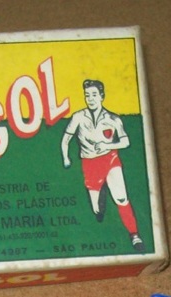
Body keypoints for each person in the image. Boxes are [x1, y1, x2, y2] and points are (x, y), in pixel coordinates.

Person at [61, 79, 144, 252]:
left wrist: (108, 145)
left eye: (94, 95)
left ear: (101, 96)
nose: (90, 99)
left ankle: (134, 235)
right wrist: (66, 157)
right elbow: (66, 138)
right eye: (87, 95)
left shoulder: (113, 119)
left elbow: (125, 141)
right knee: (97, 211)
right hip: (90, 163)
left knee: (121, 198)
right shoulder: (78, 117)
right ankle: (100, 195)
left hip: (110, 159)